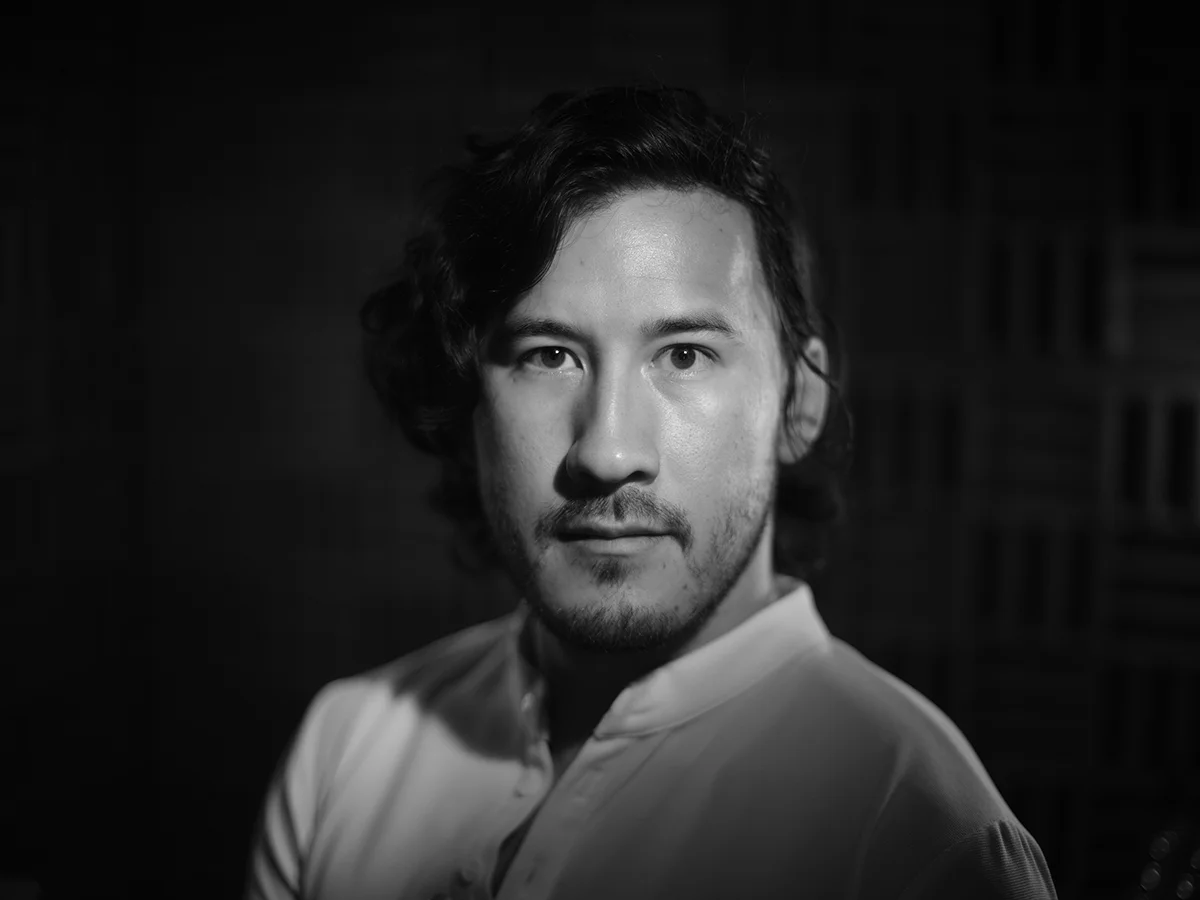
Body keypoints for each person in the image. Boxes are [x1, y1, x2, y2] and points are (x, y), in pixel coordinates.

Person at [244, 85, 1058, 900]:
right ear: (471, 406)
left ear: (799, 402)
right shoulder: (345, 747)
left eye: (685, 354)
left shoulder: (922, 840)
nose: (607, 453)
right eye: (548, 355)